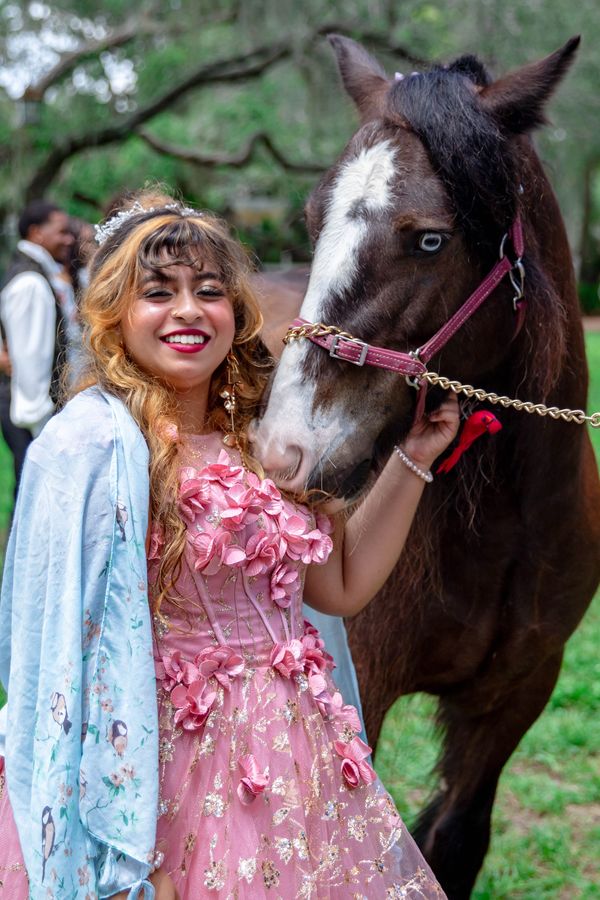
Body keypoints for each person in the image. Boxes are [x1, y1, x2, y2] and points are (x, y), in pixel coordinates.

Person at [0, 193, 459, 899]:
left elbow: (338, 588)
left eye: (209, 291)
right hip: (168, 767)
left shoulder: (269, 439)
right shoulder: (95, 449)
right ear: (115, 314)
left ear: (235, 313)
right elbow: (69, 648)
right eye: (159, 293)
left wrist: (415, 458)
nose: (188, 310)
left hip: (295, 754)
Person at [0, 200, 74, 495]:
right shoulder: (30, 281)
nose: (68, 239)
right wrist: (40, 424)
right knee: (33, 494)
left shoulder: (33, 273)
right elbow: (30, 360)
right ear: (36, 233)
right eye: (61, 231)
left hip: (27, 410)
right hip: (28, 413)